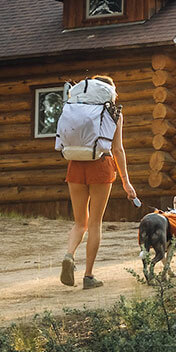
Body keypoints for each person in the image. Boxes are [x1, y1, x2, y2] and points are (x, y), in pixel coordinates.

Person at [61, 75, 137, 289]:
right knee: (94, 223)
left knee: (79, 223)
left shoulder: (76, 107)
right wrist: (126, 182)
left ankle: (69, 255)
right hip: (101, 166)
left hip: (75, 165)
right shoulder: (114, 113)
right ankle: (88, 276)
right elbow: (117, 149)